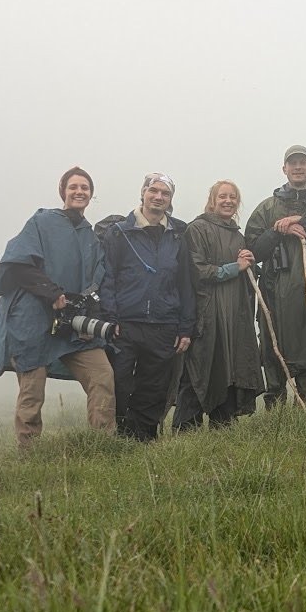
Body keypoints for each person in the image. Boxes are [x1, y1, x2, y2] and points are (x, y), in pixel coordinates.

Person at [0, 166, 117, 452]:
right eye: (74, 187)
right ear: (63, 191)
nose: (79, 192)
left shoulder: (90, 237)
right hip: (32, 320)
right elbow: (17, 266)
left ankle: (103, 445)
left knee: (102, 374)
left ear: (91, 195)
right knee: (32, 389)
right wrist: (51, 292)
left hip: (72, 324)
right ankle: (29, 453)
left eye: (85, 188)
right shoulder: (42, 221)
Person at [96, 172, 196, 441]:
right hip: (125, 323)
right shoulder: (119, 232)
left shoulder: (178, 233)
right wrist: (110, 317)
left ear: (170, 199)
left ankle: (144, 440)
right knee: (120, 382)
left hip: (164, 324)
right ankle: (118, 436)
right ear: (143, 193)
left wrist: (186, 327)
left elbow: (185, 282)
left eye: (165, 193)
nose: (159, 197)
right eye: (154, 191)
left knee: (154, 386)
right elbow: (108, 277)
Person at [243, 146, 306, 406]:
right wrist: (278, 231)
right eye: (292, 163)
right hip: (273, 293)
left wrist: (304, 223)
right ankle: (275, 412)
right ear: (284, 169)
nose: (298, 167)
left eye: (302, 162)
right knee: (272, 347)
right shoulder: (267, 208)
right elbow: (253, 250)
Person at [174, 180, 265, 429]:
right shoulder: (197, 229)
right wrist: (234, 267)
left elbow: (245, 275)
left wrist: (249, 264)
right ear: (212, 200)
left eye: (233, 197)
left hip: (234, 318)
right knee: (199, 372)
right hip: (207, 315)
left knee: (230, 372)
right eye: (222, 196)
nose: (228, 201)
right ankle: (186, 434)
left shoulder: (238, 235)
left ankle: (221, 431)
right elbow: (198, 271)